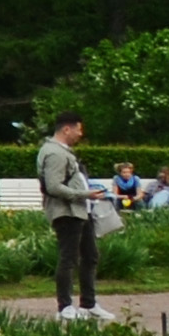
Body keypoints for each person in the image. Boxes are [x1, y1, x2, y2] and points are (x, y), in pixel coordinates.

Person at [37, 110, 104, 320]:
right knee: (69, 258)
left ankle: (88, 304)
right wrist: (85, 194)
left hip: (80, 210)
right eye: (78, 129)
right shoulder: (54, 153)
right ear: (67, 129)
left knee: (90, 255)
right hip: (66, 212)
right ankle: (65, 307)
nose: (80, 134)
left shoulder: (62, 151)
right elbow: (53, 186)